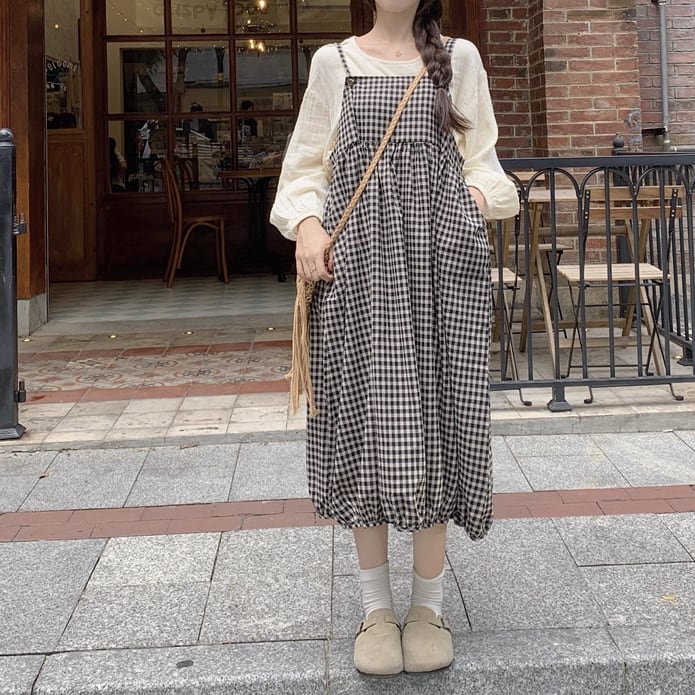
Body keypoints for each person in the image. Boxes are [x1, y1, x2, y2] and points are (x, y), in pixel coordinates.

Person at [270, 0, 519, 677]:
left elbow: (485, 165)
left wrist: (467, 203)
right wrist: (308, 227)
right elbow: (303, 170)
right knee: (362, 421)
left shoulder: (459, 59)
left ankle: (428, 606)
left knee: (440, 416)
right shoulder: (335, 63)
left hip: (440, 268)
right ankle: (376, 608)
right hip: (357, 272)